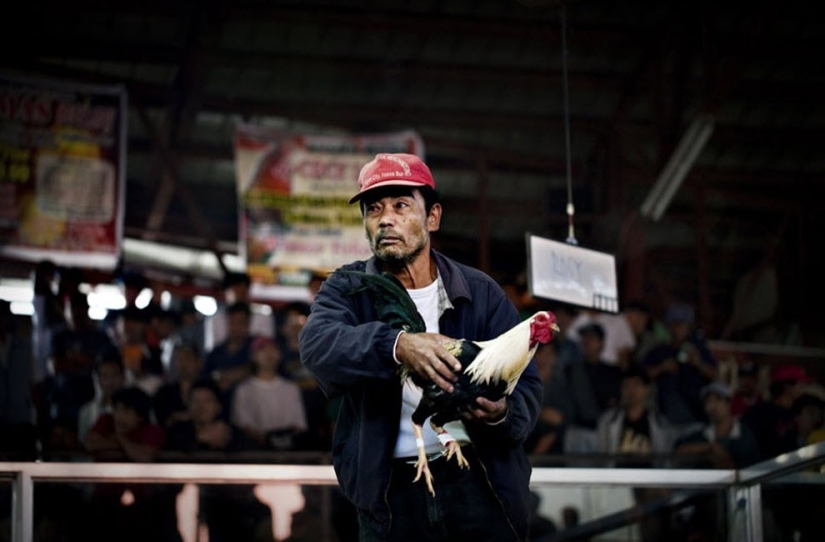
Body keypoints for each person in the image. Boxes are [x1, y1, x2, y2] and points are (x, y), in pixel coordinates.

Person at [298, 152, 543, 542]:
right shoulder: (348, 287)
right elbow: (317, 344)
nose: (385, 219)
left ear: (432, 217)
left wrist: (500, 413)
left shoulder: (480, 293)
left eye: (400, 205)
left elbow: (529, 388)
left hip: (478, 482)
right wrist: (397, 345)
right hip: (391, 488)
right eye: (373, 209)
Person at [231, 336, 307, 450]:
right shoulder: (244, 390)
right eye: (263, 350)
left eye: (273, 349)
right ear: (253, 356)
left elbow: (299, 425)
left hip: (288, 451)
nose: (268, 353)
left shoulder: (291, 389)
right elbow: (244, 425)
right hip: (255, 452)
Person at [77, 348, 126, 444]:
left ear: (123, 378)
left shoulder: (136, 408)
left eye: (115, 375)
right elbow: (83, 442)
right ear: (98, 380)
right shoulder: (87, 411)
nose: (110, 381)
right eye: (105, 376)